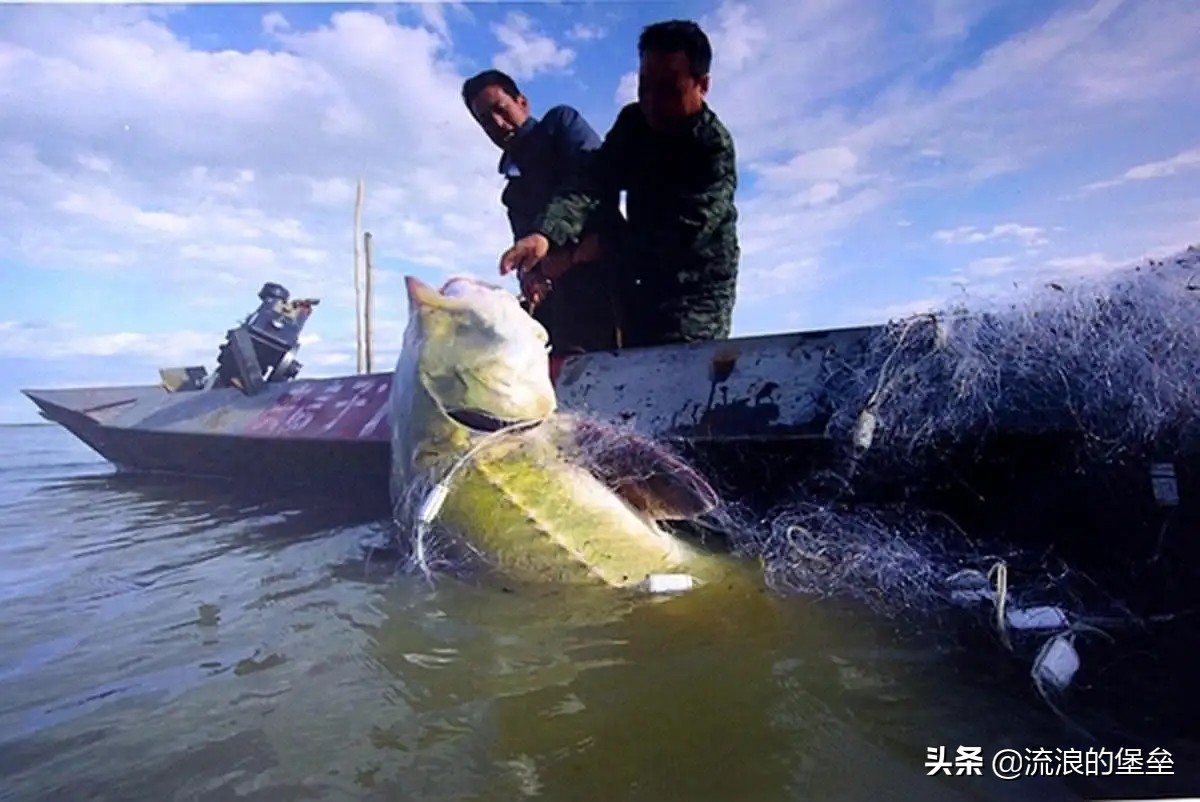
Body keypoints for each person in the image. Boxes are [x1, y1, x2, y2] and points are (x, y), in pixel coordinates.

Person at [499, 19, 740, 348]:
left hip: (696, 294)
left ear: (703, 84)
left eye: (669, 89)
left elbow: (679, 239)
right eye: (644, 87)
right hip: (641, 285)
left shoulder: (712, 148)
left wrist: (580, 254)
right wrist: (546, 234)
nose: (652, 102)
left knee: (678, 375)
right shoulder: (633, 123)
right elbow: (591, 180)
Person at [461, 68, 626, 355]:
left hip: (616, 299)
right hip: (565, 324)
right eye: (486, 122)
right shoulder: (513, 194)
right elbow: (530, 259)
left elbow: (594, 180)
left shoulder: (562, 125)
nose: (498, 124)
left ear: (522, 102)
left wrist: (547, 236)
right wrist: (530, 278)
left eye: (501, 109)